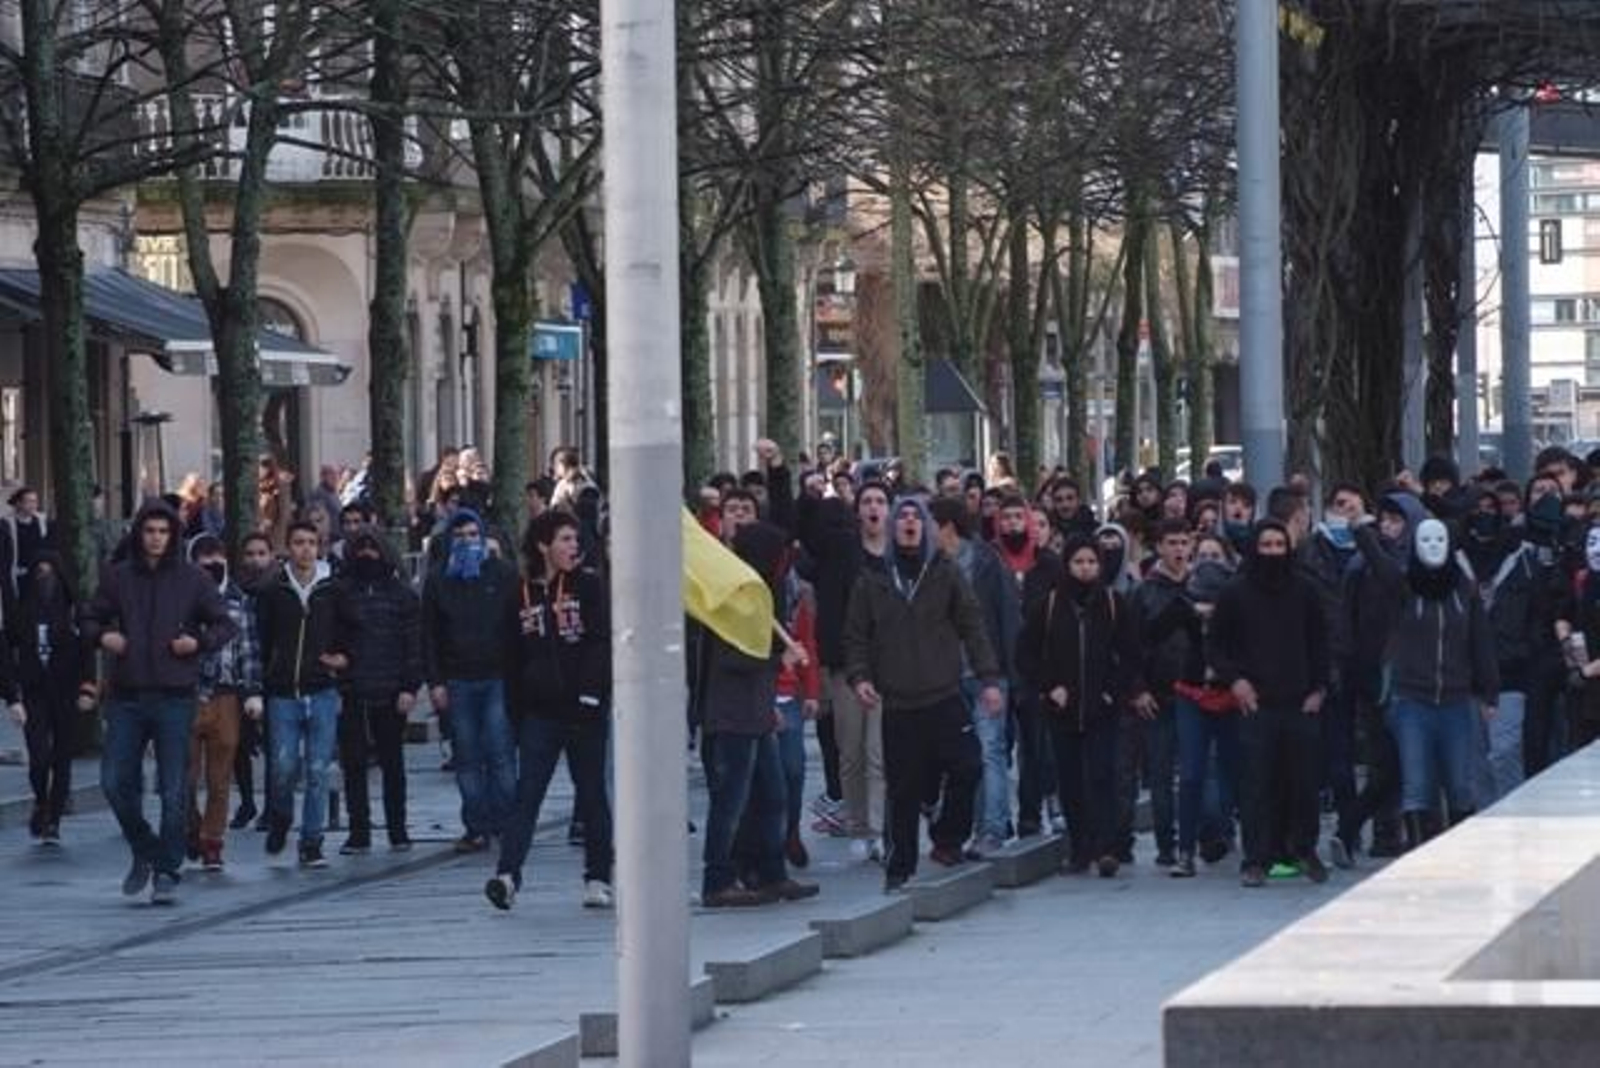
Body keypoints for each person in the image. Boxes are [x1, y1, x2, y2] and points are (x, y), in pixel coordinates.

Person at [79, 501, 238, 904]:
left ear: (173, 536)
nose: (155, 538)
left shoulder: (192, 579)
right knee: (114, 781)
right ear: (139, 533)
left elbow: (225, 624)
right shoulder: (118, 577)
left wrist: (197, 643)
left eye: (163, 532)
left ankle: (167, 868)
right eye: (149, 531)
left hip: (174, 696)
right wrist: (104, 636)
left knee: (173, 788)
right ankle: (146, 847)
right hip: (127, 696)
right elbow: (87, 616)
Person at [843, 498, 1003, 892]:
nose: (910, 522)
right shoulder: (873, 579)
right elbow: (856, 636)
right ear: (893, 528)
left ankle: (948, 835)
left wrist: (989, 678)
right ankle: (900, 867)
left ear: (927, 527)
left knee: (969, 765)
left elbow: (972, 625)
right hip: (899, 701)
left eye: (917, 516)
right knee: (903, 788)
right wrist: (860, 678)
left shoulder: (944, 572)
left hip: (944, 694)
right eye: (903, 517)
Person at [486, 512, 616, 910]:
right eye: (564, 539)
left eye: (576, 539)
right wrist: (516, 709)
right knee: (528, 794)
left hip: (584, 711)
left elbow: (600, 642)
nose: (573, 546)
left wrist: (593, 695)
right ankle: (507, 875)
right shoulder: (519, 594)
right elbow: (510, 656)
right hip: (540, 713)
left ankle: (597, 877)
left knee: (591, 794)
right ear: (544, 545)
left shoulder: (588, 586)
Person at [699, 522, 820, 907]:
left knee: (773, 795)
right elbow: (731, 658)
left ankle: (770, 871)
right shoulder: (736, 601)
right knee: (730, 802)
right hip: (732, 716)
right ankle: (718, 878)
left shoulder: (760, 598)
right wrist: (778, 661)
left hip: (756, 713)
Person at [1358, 516, 1498, 845]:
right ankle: (1420, 851)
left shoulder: (1464, 589)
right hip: (1412, 701)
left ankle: (1460, 850)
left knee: (1460, 785)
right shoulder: (1404, 586)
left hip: (1456, 700)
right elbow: (1381, 564)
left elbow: (1480, 641)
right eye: (1425, 540)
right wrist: (1361, 530)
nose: (1433, 547)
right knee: (1417, 785)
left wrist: (1489, 692)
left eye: (1439, 540)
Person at [1210, 519, 1330, 888]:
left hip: (1300, 703)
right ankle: (1256, 859)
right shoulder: (1235, 592)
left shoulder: (1306, 590)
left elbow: (1321, 642)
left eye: (1280, 545)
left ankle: (1304, 850)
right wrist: (1236, 681)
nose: (1273, 552)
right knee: (1256, 784)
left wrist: (1319, 688)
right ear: (1254, 548)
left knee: (1304, 782)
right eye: (1266, 545)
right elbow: (1216, 645)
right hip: (1256, 704)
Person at [1017, 534, 1145, 876]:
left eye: (1091, 562)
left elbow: (1131, 655)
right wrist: (1049, 687)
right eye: (1078, 562)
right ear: (1067, 565)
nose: (1085, 569)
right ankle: (1079, 847)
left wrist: (1112, 691)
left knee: (1103, 775)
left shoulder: (1113, 603)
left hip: (1103, 708)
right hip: (1062, 710)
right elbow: (1026, 655)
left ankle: (1107, 847)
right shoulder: (1048, 606)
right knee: (1070, 779)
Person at [798, 481, 893, 863]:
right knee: (851, 751)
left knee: (878, 752)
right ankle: (857, 824)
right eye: (867, 501)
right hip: (846, 666)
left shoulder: (900, 555)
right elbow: (807, 537)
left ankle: (877, 828)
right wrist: (805, 493)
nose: (874, 508)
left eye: (880, 501)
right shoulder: (842, 550)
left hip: (888, 668)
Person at [255, 521, 356, 869]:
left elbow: (353, 629)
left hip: (321, 688)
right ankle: (281, 815)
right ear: (288, 547)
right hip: (283, 691)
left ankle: (312, 841)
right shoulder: (273, 589)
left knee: (317, 768)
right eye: (298, 542)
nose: (305, 549)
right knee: (282, 766)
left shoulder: (333, 589)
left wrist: (344, 658)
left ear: (320, 546)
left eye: (312, 542)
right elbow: (261, 638)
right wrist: (263, 680)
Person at [423, 508, 519, 852]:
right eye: (459, 536)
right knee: (466, 756)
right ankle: (476, 825)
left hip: (498, 677)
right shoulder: (437, 580)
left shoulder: (503, 574)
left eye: (472, 535)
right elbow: (429, 634)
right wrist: (435, 681)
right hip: (457, 680)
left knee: (500, 753)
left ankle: (506, 822)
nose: (466, 542)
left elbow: (517, 627)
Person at [929, 496, 1018, 857]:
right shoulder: (930, 565)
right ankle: (970, 827)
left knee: (990, 751)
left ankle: (992, 829)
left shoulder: (985, 561)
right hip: (947, 676)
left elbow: (1007, 614)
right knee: (965, 758)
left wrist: (1006, 672)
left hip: (986, 672)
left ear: (947, 526)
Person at [338, 527, 423, 854]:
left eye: (373, 548)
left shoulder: (402, 595)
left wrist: (409, 686)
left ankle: (397, 829)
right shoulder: (341, 592)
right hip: (352, 690)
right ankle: (359, 830)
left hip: (391, 690)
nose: (367, 555)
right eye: (361, 548)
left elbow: (413, 644)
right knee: (354, 764)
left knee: (393, 764)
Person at [1, 553, 91, 844]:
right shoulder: (20, 614)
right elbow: (6, 654)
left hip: (65, 690)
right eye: (39, 573)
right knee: (38, 755)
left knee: (62, 757)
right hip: (34, 692)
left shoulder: (74, 612)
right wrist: (12, 696)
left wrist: (87, 688)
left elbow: (87, 650)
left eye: (51, 574)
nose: (45, 580)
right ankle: (42, 800)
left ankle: (54, 818)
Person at [187, 536, 263, 871]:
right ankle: (191, 826)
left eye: (217, 557)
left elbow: (249, 648)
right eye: (204, 559)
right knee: (183, 776)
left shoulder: (239, 601)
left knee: (220, 778)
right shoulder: (179, 598)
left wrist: (252, 692)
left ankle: (213, 841)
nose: (212, 564)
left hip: (227, 695)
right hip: (187, 695)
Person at [993, 495, 1063, 838]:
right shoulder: (990, 562)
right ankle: (996, 819)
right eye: (1006, 517)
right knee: (996, 749)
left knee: (1037, 746)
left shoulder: (1049, 565)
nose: (1012, 523)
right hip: (997, 666)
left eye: (1018, 517)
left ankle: (1031, 814)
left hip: (1038, 669)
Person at [1126, 518, 1191, 867]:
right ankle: (1168, 843)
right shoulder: (1143, 593)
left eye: (1184, 542)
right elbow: (1131, 647)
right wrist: (1138, 689)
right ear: (1160, 547)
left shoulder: (1201, 585)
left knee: (1197, 772)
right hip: (1158, 696)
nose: (1179, 549)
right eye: (1172, 543)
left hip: (1198, 694)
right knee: (1161, 775)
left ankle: (1204, 835)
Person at [232, 531, 279, 830]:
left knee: (274, 745)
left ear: (271, 556)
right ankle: (247, 801)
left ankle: (273, 806)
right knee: (239, 743)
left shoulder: (279, 587)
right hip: (241, 674)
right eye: (250, 554)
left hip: (274, 674)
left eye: (261, 553)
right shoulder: (234, 590)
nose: (256, 560)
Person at [1, 486, 51, 604]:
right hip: (16, 574)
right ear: (19, 503)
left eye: (35, 501)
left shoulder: (41, 521)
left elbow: (46, 545)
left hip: (38, 573)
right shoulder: (6, 524)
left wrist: (45, 563)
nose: (33, 505)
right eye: (29, 501)